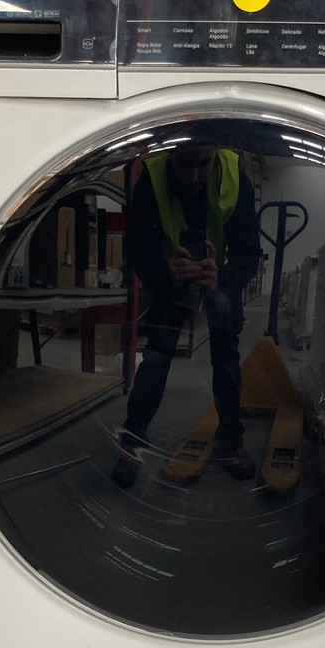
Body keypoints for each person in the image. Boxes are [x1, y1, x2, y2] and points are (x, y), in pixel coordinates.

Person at [113, 141, 262, 488]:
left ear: (215, 157)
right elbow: (139, 249)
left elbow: (248, 252)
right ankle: (132, 440)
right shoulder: (152, 177)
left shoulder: (233, 175)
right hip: (173, 281)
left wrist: (221, 278)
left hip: (218, 280)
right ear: (171, 157)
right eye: (185, 165)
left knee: (226, 359)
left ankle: (231, 440)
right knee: (155, 358)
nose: (195, 176)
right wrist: (167, 275)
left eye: (203, 164)